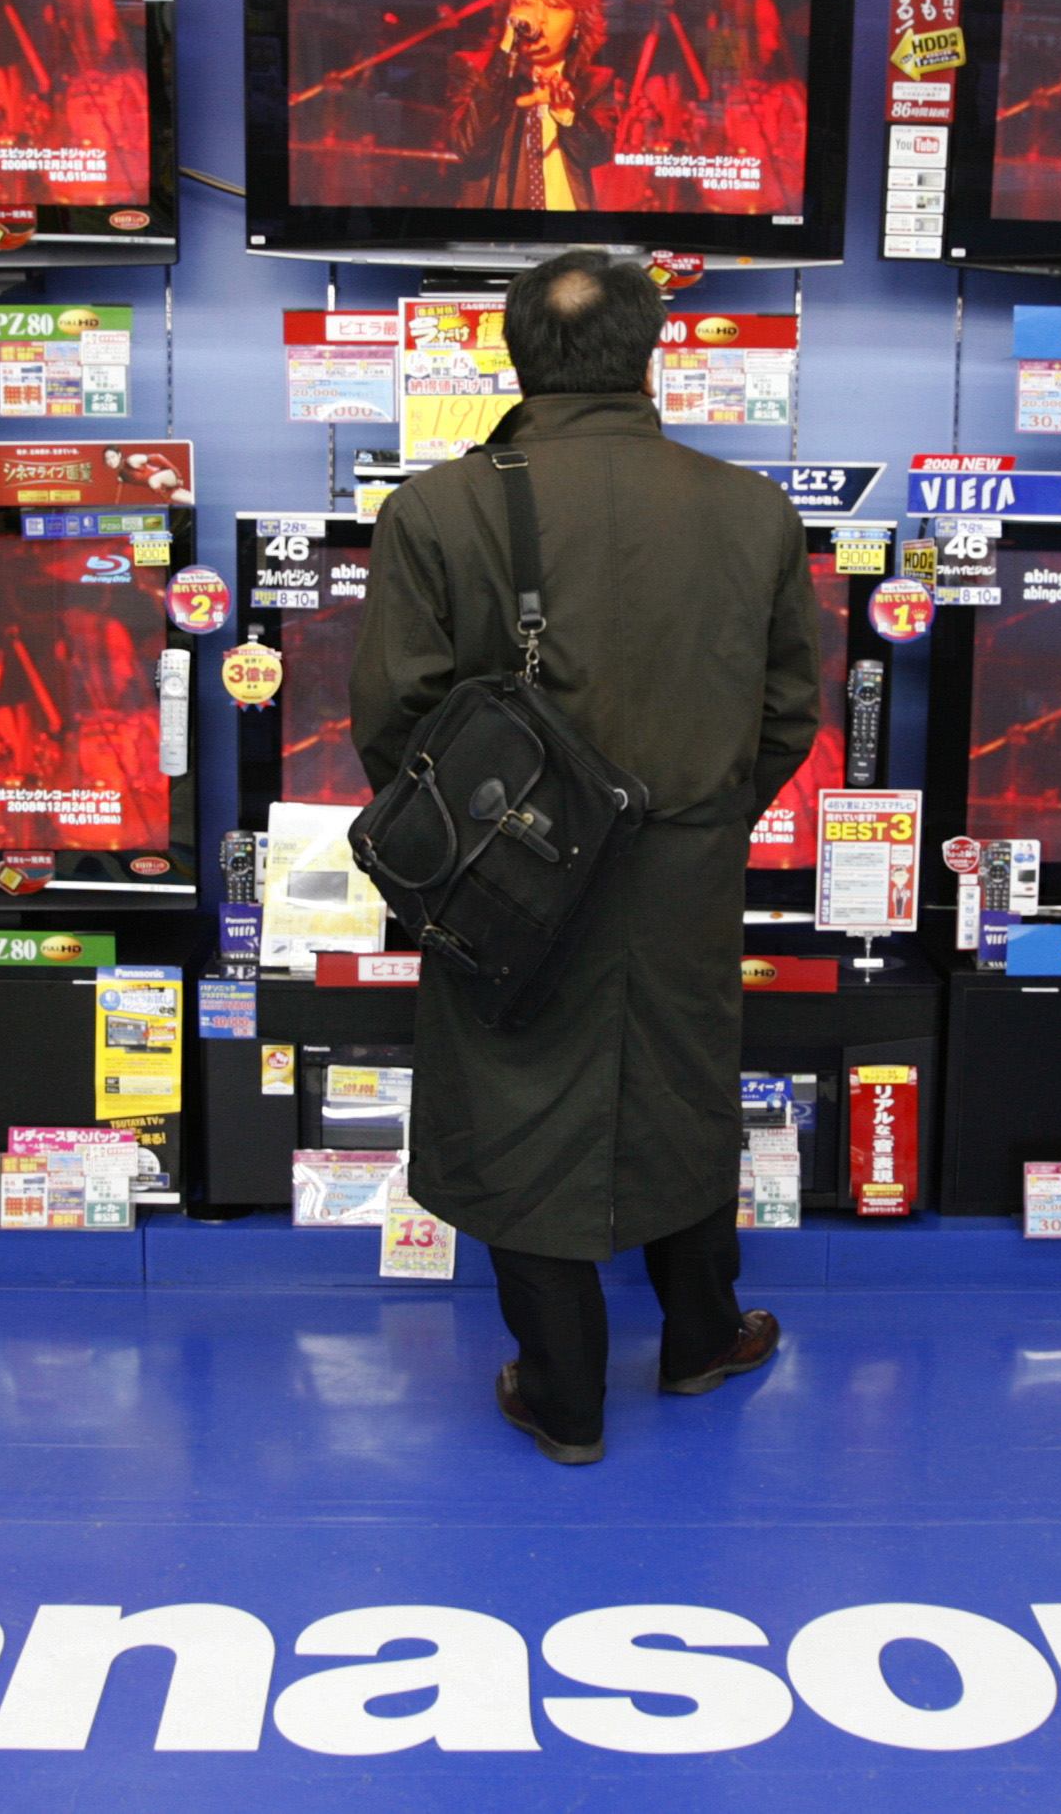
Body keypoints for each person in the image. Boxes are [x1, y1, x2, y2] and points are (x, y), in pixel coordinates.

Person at [351, 251, 818, 1464]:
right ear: (649, 349)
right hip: (685, 873)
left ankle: (565, 1398)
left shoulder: (434, 509)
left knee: (517, 1099)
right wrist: (697, 819)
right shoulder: (753, 512)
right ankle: (702, 1337)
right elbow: (785, 716)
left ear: (513, 353)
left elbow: (396, 729)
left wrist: (500, 839)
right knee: (681, 1089)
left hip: (507, 881)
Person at [447, 0, 621, 212]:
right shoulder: (476, 70)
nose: (539, 20)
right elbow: (468, 147)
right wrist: (505, 57)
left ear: (577, 23)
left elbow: (597, 153)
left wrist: (567, 114)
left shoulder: (594, 82)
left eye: (554, 6)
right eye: (527, 4)